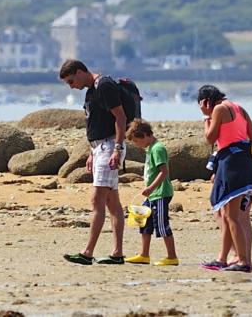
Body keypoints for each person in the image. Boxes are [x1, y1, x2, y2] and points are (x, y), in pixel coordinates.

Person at [59, 59, 128, 265]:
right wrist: (91, 152)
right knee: (112, 202)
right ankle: (117, 254)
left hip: (109, 146)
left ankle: (88, 252)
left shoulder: (104, 85)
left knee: (97, 200)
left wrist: (117, 148)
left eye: (72, 81)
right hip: (100, 147)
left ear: (80, 72)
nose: (72, 86)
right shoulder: (91, 90)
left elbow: (120, 118)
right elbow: (96, 123)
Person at [197, 84, 252, 273]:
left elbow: (210, 138)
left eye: (202, 105)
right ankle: (222, 258)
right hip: (245, 160)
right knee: (227, 213)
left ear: (205, 102)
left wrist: (206, 118)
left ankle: (243, 261)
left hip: (232, 162)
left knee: (231, 216)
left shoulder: (219, 109)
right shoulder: (240, 108)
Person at [123, 119, 178, 266]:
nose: (136, 144)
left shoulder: (158, 149)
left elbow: (164, 172)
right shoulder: (151, 148)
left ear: (145, 135)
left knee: (161, 224)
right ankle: (144, 255)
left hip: (160, 193)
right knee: (144, 221)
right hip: (153, 194)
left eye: (136, 141)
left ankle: (172, 257)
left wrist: (151, 188)